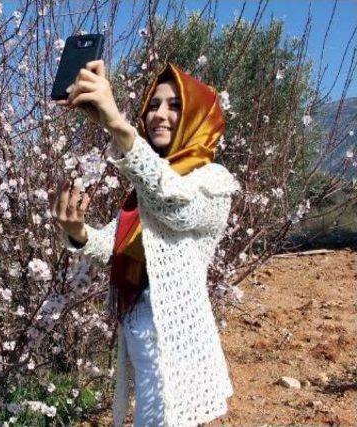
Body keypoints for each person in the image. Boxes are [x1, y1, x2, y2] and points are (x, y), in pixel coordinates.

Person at [48, 60, 240, 426]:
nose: (159, 115)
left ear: (198, 117)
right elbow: (115, 246)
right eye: (153, 105)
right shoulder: (144, 189)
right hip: (140, 330)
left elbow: (176, 206)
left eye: (174, 105)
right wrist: (79, 231)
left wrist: (117, 125)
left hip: (176, 344)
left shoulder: (212, 182)